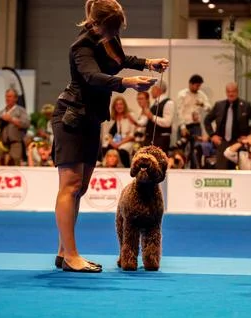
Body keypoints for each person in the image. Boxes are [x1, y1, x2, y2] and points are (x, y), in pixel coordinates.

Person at [51, 0, 169, 273]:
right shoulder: (81, 46)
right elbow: (92, 76)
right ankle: (71, 255)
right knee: (69, 186)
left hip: (92, 118)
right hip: (71, 117)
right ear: (96, 23)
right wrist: (126, 83)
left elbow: (121, 61)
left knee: (80, 187)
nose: (115, 33)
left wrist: (148, 63)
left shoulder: (110, 38)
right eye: (111, 28)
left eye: (117, 29)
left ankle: (63, 252)